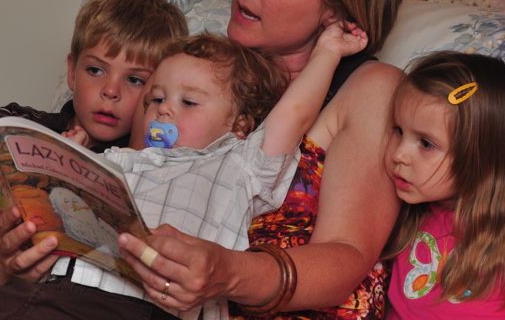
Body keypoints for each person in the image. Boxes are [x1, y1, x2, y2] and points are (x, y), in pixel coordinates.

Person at [0, 0, 409, 320]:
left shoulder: (368, 88)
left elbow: (345, 256)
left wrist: (230, 272)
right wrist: (28, 250)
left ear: (338, 12)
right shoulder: (189, 72)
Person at [0, 0, 187, 318]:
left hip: (23, 288)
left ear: (158, 90)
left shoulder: (144, 164)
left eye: (134, 80)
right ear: (72, 71)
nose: (110, 90)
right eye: (96, 70)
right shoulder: (23, 121)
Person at [54, 28, 366, 320]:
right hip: (63, 288)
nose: (164, 110)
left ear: (240, 124)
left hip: (153, 307)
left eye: (188, 102)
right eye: (157, 99)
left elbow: (294, 114)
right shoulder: (119, 159)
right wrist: (70, 160)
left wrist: (328, 51)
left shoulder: (240, 164)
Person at [382, 51, 505, 320]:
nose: (399, 154)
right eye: (398, 130)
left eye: (426, 144)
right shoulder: (407, 215)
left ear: (485, 158)